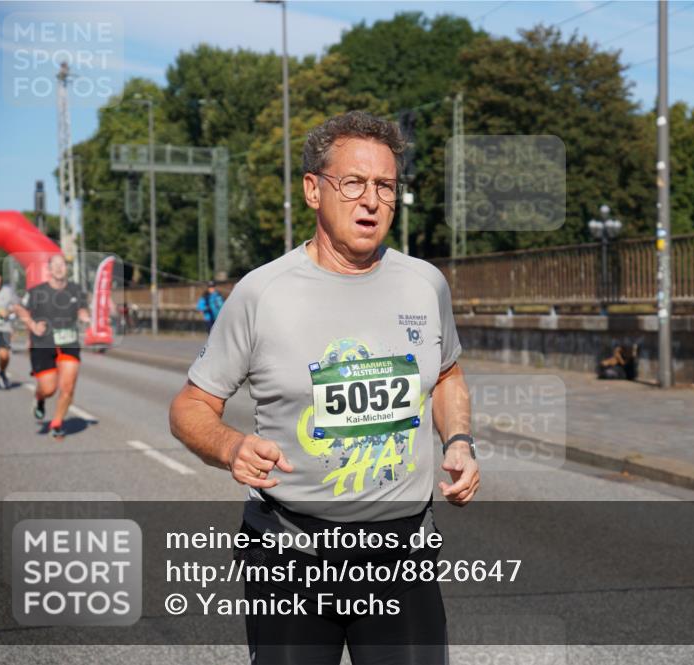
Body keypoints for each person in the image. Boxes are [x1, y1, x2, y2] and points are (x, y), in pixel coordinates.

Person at [169, 110, 478, 665]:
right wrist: (230, 446)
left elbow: (449, 373)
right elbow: (191, 405)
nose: (371, 200)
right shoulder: (262, 293)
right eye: (352, 182)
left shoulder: (425, 284)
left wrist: (459, 440)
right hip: (290, 555)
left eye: (384, 185)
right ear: (314, 190)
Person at [16, 254, 90, 438]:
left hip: (69, 343)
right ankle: (39, 398)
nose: (59, 268)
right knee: (49, 389)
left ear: (67, 268)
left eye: (62, 265)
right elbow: (20, 308)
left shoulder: (75, 289)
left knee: (68, 387)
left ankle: (56, 424)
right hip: (43, 344)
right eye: (55, 265)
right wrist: (32, 325)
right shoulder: (37, 291)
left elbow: (82, 308)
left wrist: (84, 316)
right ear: (48, 270)